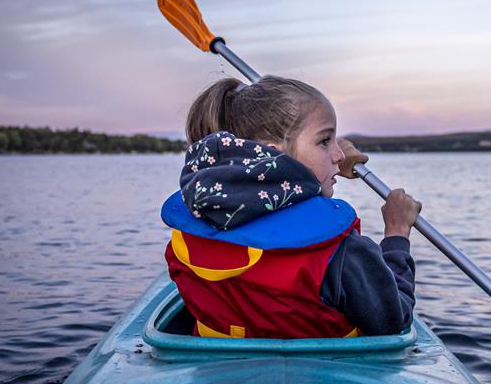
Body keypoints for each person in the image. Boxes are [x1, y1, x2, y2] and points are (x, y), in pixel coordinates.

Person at [160, 76, 421, 339]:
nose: (339, 155)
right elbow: (394, 320)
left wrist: (320, 162)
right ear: (273, 154)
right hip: (326, 373)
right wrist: (397, 235)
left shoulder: (186, 235)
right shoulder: (341, 252)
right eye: (324, 141)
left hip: (217, 370)